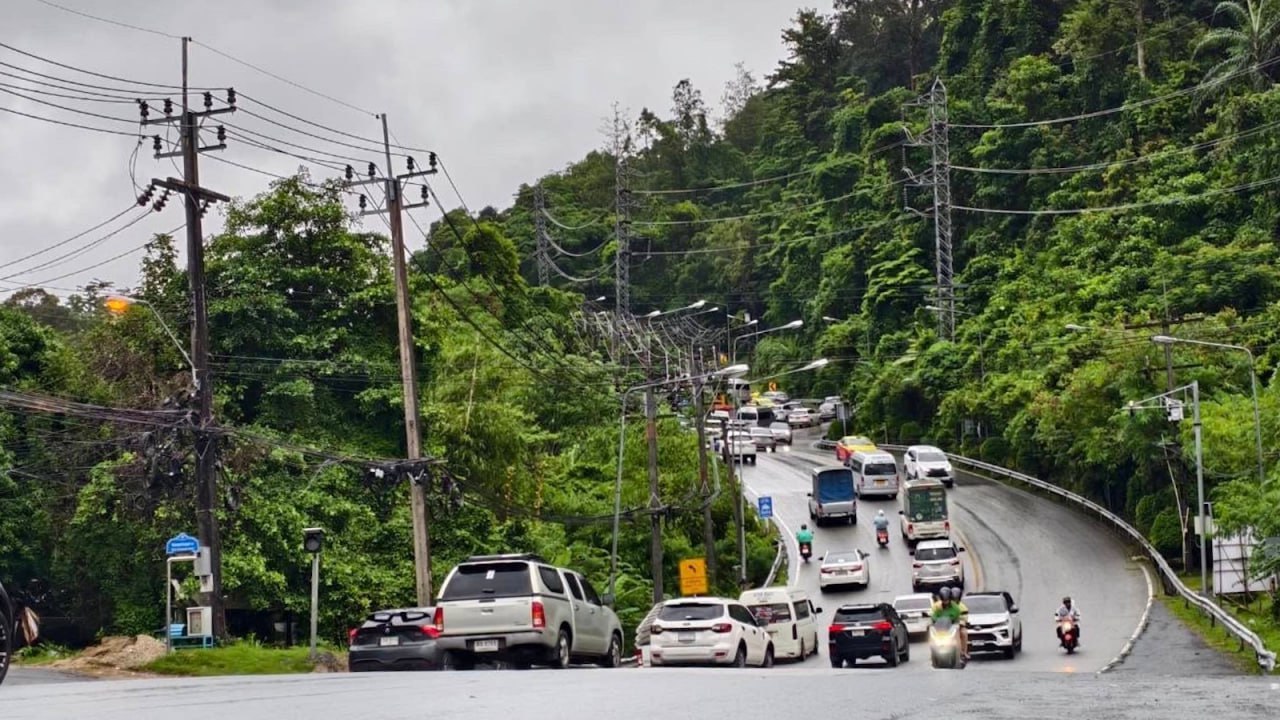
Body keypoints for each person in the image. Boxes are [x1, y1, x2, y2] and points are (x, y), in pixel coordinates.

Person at [931, 587, 969, 660]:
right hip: (941, 627)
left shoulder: (958, 608)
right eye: (944, 600)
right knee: (931, 634)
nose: (946, 602)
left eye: (947, 600)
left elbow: (962, 618)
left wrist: (959, 622)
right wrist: (933, 620)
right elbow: (933, 615)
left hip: (954, 626)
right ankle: (933, 651)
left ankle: (963, 652)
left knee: (963, 632)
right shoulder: (937, 606)